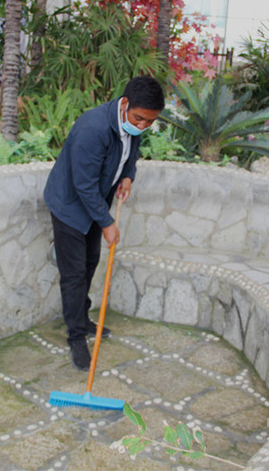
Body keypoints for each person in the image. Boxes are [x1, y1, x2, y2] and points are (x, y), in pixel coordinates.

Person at [44, 76, 165, 371]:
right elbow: (83, 184)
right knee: (74, 275)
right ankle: (76, 337)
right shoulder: (93, 128)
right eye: (139, 119)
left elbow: (131, 152)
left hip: (94, 205)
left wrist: (128, 176)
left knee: (89, 264)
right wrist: (107, 222)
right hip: (71, 206)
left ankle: (82, 319)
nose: (142, 126)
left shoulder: (133, 125)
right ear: (125, 104)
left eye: (149, 122)